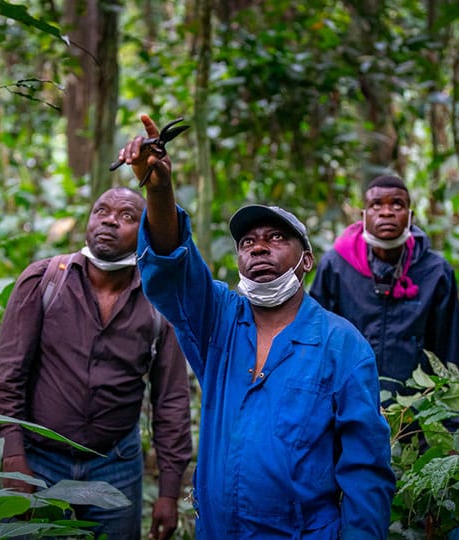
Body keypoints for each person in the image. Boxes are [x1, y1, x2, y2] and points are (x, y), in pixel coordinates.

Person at [115, 114, 395, 539]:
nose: (259, 246)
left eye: (277, 238)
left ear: (306, 261)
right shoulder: (218, 321)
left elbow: (366, 477)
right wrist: (159, 188)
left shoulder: (344, 347)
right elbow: (174, 267)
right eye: (248, 242)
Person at [0, 186, 193, 540]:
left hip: (115, 464)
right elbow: (8, 377)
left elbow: (171, 400)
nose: (110, 221)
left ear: (144, 229)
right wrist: (12, 457)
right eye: (101, 211)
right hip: (38, 461)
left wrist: (169, 491)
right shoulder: (43, 281)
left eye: (127, 216)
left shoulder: (158, 301)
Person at [309, 174, 459, 429]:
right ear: (363, 215)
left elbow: (448, 350)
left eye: (397, 204)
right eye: (376, 205)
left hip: (415, 412)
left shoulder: (436, 272)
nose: (386, 212)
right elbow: (315, 340)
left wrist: (450, 422)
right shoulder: (336, 266)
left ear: (410, 215)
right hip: (347, 406)